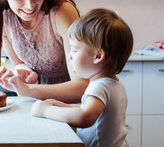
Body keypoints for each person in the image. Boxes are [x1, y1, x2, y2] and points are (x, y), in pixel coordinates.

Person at [31, 8, 133, 147]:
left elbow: (86, 117)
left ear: (97, 56)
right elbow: (94, 109)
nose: (69, 55)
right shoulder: (114, 83)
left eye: (74, 49)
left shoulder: (99, 87)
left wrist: (46, 111)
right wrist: (67, 107)